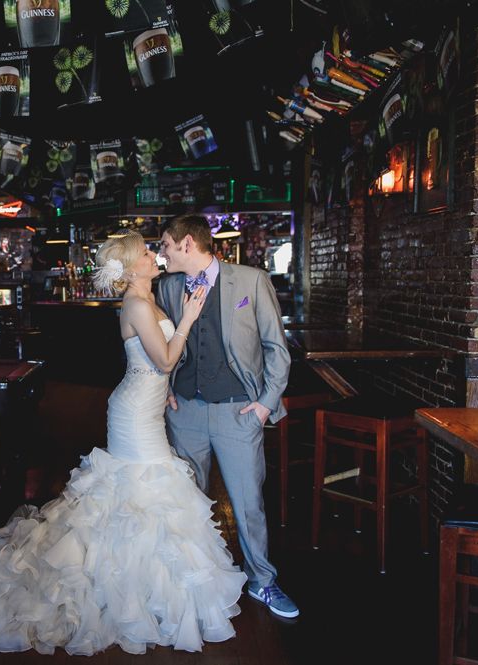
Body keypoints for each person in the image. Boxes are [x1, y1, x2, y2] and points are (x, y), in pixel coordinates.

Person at [0, 230, 248, 655]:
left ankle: (142, 590)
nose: (155, 256)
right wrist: (188, 318)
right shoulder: (136, 303)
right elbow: (166, 358)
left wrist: (166, 382)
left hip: (146, 404)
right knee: (142, 493)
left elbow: (156, 365)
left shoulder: (147, 299)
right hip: (134, 416)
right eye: (147, 253)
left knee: (145, 494)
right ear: (133, 267)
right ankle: (125, 592)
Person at [156, 214, 298, 619]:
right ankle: (195, 582)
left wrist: (266, 404)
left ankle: (263, 582)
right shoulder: (166, 287)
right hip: (185, 412)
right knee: (188, 503)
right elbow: (163, 343)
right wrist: (165, 389)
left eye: (165, 243)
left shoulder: (250, 281)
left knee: (248, 503)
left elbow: (276, 347)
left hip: (238, 411)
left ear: (186, 244)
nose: (161, 252)